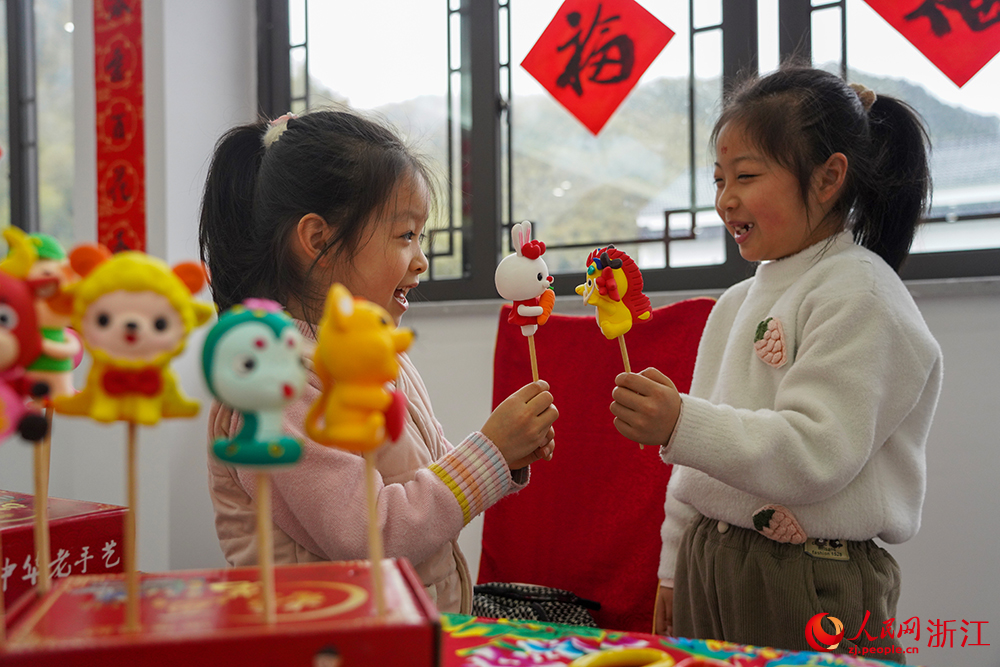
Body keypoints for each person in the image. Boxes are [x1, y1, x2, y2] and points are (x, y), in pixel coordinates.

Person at [609, 65, 942, 661]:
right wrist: (671, 565)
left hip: (807, 578)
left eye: (747, 175)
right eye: (718, 179)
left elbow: (814, 453)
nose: (724, 199)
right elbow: (697, 468)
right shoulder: (737, 303)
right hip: (712, 565)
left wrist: (680, 423)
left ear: (828, 177)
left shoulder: (861, 294)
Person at [199, 109, 558, 614]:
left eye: (422, 237)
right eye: (404, 236)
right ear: (318, 241)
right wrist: (490, 453)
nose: (421, 259)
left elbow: (423, 471)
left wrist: (506, 455)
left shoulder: (368, 350)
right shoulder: (275, 388)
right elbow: (372, 533)